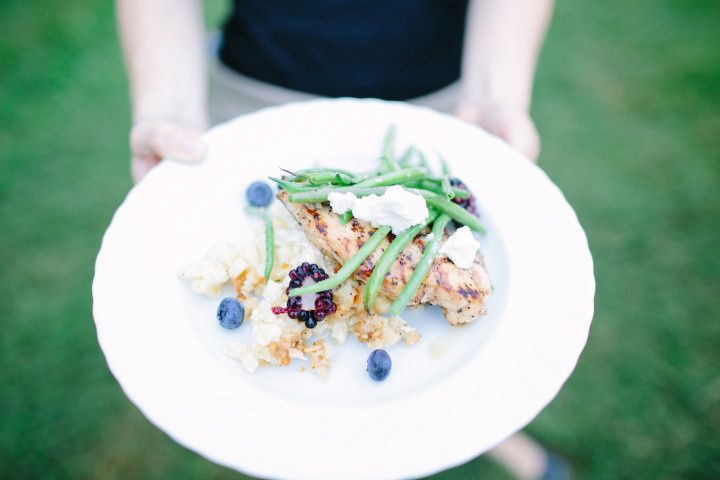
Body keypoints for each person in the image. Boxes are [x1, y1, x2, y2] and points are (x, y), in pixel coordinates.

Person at [117, 1, 568, 478]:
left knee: (463, 385)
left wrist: (497, 95)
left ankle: (489, 432)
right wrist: (168, 109)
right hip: (249, 103)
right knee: (286, 432)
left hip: (446, 105)